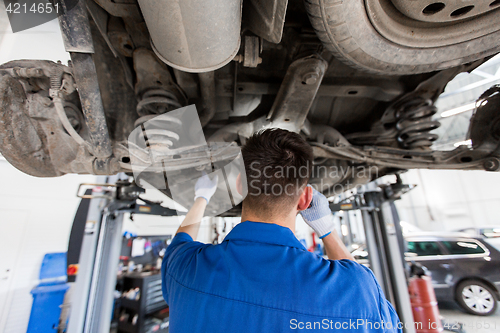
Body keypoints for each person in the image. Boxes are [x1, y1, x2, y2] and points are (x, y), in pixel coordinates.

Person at [161, 128, 401, 332]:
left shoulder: (184, 269)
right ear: (306, 198)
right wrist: (327, 231)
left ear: (240, 186)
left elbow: (181, 241)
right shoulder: (357, 290)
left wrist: (201, 197)